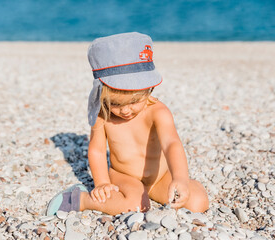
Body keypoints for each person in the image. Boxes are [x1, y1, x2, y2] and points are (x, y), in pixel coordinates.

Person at [46, 32, 209, 216]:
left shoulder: (158, 112)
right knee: (136, 207)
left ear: (149, 89)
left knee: (197, 202)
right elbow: (97, 150)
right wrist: (102, 183)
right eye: (115, 103)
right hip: (124, 176)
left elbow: (171, 144)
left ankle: (164, 189)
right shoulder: (103, 114)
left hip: (159, 176)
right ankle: (81, 199)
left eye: (134, 101)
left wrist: (179, 178)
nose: (125, 110)